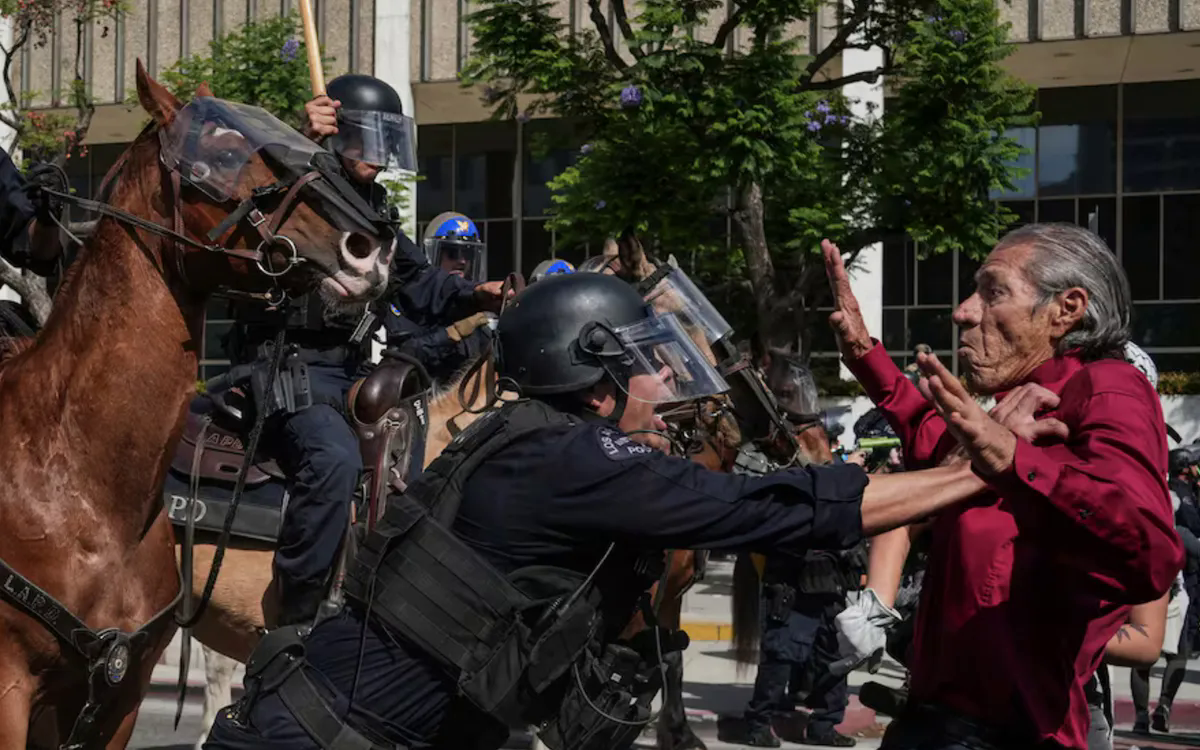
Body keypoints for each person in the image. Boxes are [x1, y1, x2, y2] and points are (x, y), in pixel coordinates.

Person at [204, 272, 1003, 750]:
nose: (665, 385)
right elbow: (767, 509)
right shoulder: (577, 461)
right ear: (592, 375)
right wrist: (978, 471)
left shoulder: (530, 435)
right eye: (646, 366)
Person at [826, 224, 1183, 750]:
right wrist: (863, 353)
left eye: (993, 291)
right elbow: (942, 451)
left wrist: (1017, 463)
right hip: (927, 723)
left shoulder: (1109, 387)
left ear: (1066, 309)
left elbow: (1150, 552)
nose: (964, 311)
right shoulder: (1017, 401)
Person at [227, 74, 505, 627]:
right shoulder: (297, 183)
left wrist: (478, 293)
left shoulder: (374, 208)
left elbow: (420, 285)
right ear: (338, 134)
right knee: (334, 463)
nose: (378, 159)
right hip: (289, 369)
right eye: (366, 143)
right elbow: (251, 200)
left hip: (353, 373)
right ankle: (296, 619)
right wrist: (300, 141)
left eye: (386, 145)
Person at [382, 212, 495, 382]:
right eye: (452, 253)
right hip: (420, 396)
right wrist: (451, 333)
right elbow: (402, 353)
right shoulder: (411, 297)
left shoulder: (474, 305)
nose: (462, 261)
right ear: (433, 253)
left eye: (468, 254)